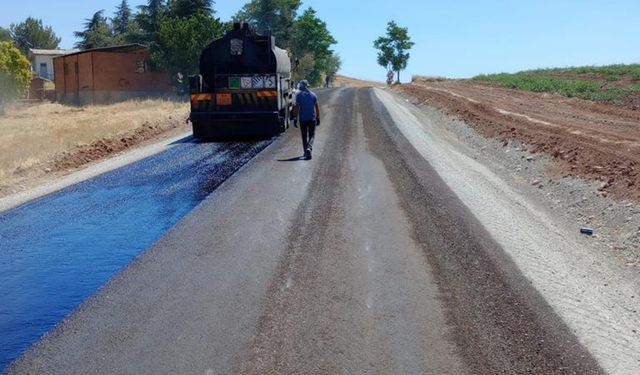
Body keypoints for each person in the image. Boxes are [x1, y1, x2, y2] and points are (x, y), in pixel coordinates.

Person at [293, 80, 320, 160]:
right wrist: (318, 117)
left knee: (304, 136)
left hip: (303, 119)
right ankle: (309, 148)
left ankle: (306, 152)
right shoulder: (313, 95)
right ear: (307, 86)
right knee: (311, 135)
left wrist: (295, 118)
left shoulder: (299, 96)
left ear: (301, 86)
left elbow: (296, 108)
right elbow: (317, 107)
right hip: (312, 119)